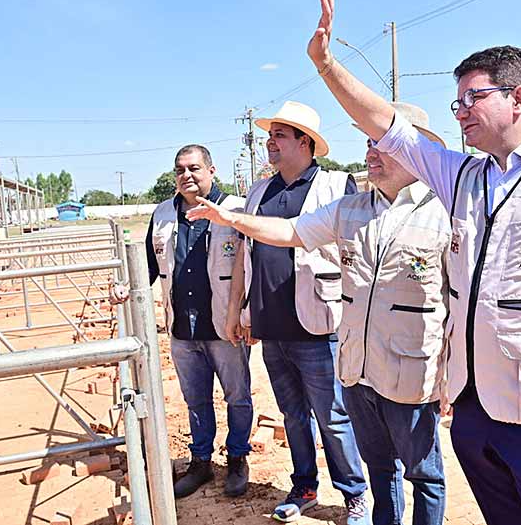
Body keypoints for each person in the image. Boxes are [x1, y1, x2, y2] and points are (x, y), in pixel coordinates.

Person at [305, 0, 521, 523]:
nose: (460, 112)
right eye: (455, 103)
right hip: (473, 407)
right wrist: (326, 65)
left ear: (518, 98)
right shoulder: (460, 177)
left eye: (473, 99)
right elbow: (386, 125)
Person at [189, 102, 451, 525]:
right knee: (367, 456)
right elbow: (283, 236)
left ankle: (354, 496)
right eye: (369, 142)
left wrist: (454, 377)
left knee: (414, 467)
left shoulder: (437, 212)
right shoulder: (332, 205)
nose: (370, 152)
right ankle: (314, 488)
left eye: (381, 143)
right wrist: (231, 221)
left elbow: (455, 301)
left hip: (383, 355)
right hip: (340, 354)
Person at [223, 100, 370, 524]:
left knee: (333, 415)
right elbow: (242, 258)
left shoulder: (334, 186)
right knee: (292, 414)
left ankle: (354, 494)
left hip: (319, 324)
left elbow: (356, 256)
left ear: (305, 143)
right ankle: (304, 485)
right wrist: (239, 311)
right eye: (270, 136)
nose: (270, 143)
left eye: (280, 136)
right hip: (272, 326)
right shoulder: (258, 192)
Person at [144, 144, 253, 498]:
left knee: (237, 396)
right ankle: (201, 462)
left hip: (225, 326)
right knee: (195, 399)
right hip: (182, 328)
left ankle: (237, 458)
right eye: (180, 170)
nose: (186, 176)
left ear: (212, 170)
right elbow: (148, 266)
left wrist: (248, 315)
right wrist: (124, 289)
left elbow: (252, 267)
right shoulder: (162, 213)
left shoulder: (236, 210)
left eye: (194, 168)